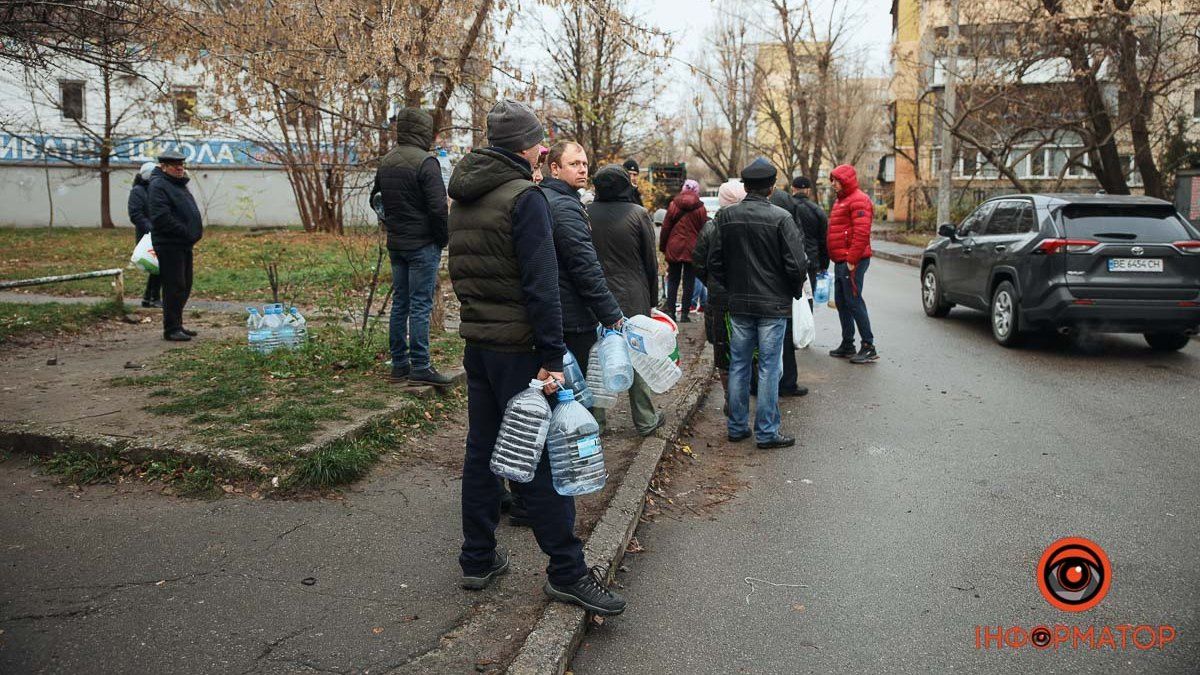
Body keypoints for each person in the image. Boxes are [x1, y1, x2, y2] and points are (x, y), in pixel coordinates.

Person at [447, 100, 625, 616]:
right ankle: (567, 572)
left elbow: (464, 273)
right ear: (527, 147)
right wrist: (551, 355)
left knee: (483, 452)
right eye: (539, 142)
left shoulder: (463, 197)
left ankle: (477, 558)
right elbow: (540, 285)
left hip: (479, 345)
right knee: (546, 459)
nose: (543, 149)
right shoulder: (524, 198)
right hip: (523, 349)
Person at [709, 158, 806, 449]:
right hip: (772, 305)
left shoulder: (726, 217)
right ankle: (766, 432)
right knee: (767, 367)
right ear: (771, 187)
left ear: (745, 186)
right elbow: (796, 264)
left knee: (739, 365)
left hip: (739, 304)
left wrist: (732, 288)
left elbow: (715, 261)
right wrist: (791, 292)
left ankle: (737, 426)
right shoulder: (781, 218)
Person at [371, 108, 453, 385]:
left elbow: (377, 199)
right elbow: (438, 208)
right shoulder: (427, 163)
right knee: (420, 305)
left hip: (397, 243)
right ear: (424, 131)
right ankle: (421, 366)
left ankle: (399, 365)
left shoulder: (387, 161)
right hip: (422, 245)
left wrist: (391, 224)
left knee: (401, 304)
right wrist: (443, 238)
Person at [587, 164, 666, 437]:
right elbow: (650, 263)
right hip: (633, 296)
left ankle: (597, 422)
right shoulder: (637, 214)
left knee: (596, 358)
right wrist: (653, 301)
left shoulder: (585, 213)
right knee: (637, 356)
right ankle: (645, 419)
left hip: (594, 295)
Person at [693, 178, 745, 413]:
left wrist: (712, 283)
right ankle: (741, 396)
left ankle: (729, 398)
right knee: (745, 349)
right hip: (744, 297)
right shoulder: (748, 223)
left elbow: (699, 262)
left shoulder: (711, 227)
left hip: (719, 299)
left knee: (723, 350)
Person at [148, 149, 202, 342]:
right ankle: (171, 328)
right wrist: (185, 232)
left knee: (184, 285)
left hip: (182, 244)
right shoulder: (159, 185)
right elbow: (162, 217)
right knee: (174, 286)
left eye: (182, 164)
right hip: (170, 243)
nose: (180, 168)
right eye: (175, 165)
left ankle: (177, 324)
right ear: (164, 167)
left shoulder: (176, 184)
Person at [826, 164, 878, 364]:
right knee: (841, 301)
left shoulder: (859, 200)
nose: (833, 184)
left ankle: (868, 346)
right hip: (841, 260)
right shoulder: (842, 200)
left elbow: (861, 233)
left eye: (836, 180)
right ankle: (848, 343)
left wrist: (851, 260)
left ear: (846, 180)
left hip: (852, 261)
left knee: (854, 301)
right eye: (832, 180)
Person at [767, 183, 815, 398]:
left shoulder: (735, 216)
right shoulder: (787, 219)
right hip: (781, 291)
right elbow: (796, 261)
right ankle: (786, 383)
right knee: (783, 337)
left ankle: (757, 384)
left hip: (751, 292)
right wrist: (797, 289)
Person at [659, 179, 707, 323]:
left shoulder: (674, 205)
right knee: (689, 281)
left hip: (674, 246)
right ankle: (685, 314)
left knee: (673, 280)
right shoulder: (700, 208)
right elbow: (703, 230)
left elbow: (666, 227)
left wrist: (663, 246)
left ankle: (672, 313)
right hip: (692, 249)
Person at [792, 176, 830, 311]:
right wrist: (824, 264)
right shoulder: (817, 210)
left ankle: (791, 330)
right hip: (812, 261)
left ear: (793, 189)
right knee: (808, 298)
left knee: (790, 300)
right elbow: (824, 240)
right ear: (808, 191)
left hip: (790, 259)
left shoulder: (786, 207)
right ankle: (807, 327)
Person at [128, 161, 161, 308]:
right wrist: (151, 228)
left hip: (157, 233)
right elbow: (135, 214)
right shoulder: (138, 191)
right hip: (147, 237)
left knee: (159, 266)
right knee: (157, 266)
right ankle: (152, 297)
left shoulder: (155, 190)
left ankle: (149, 298)